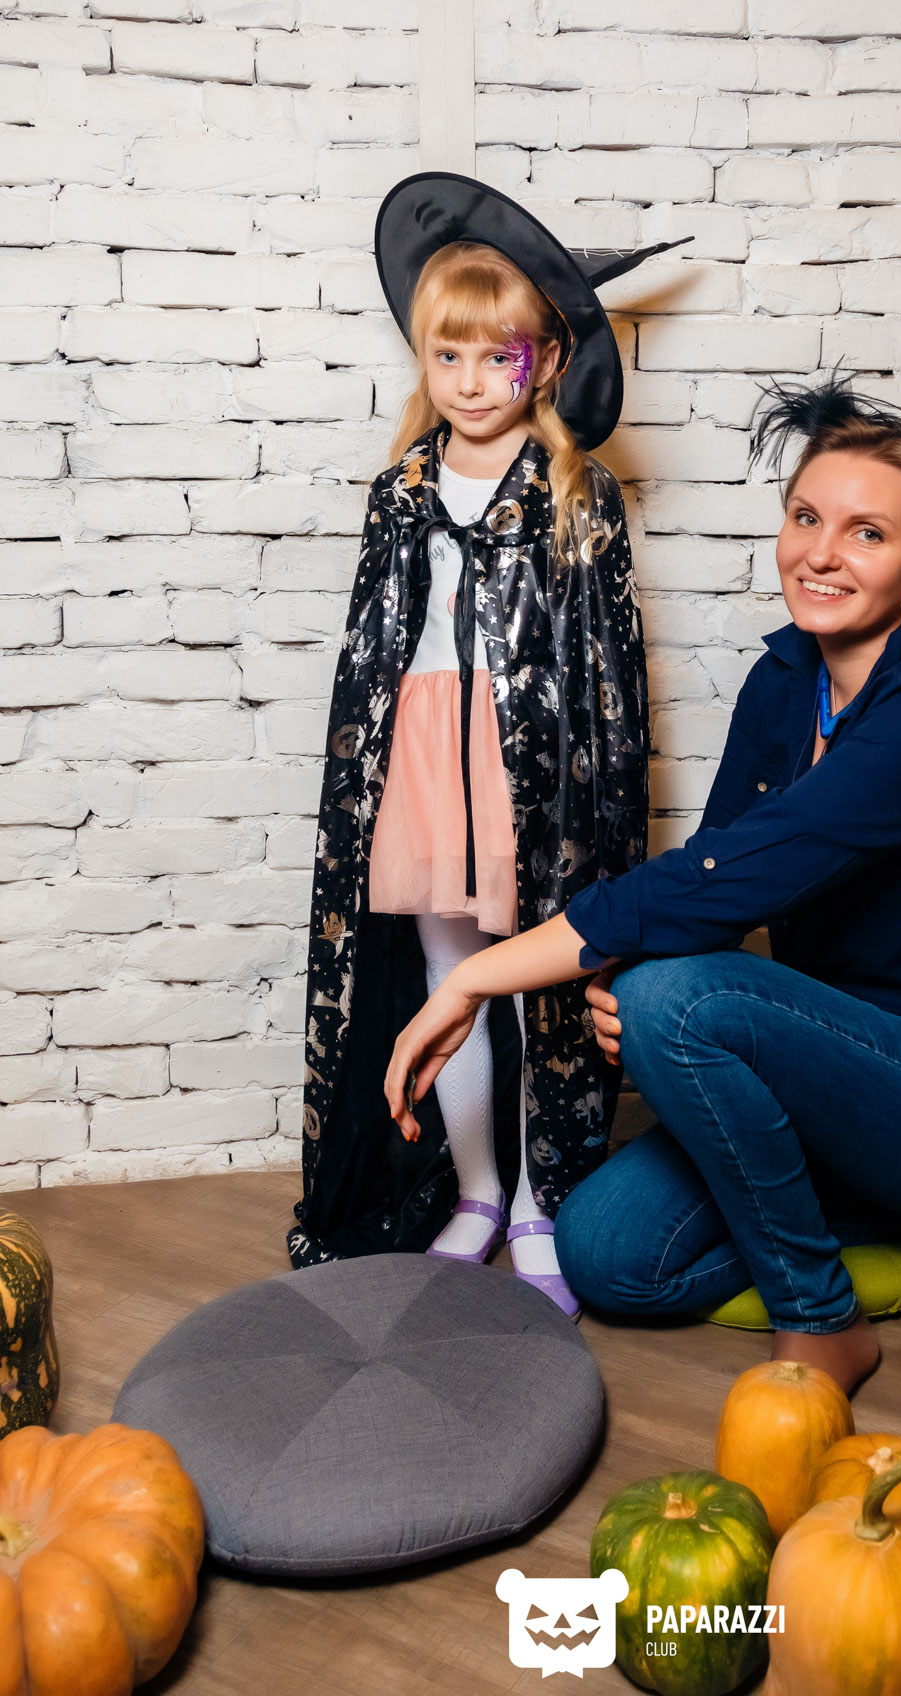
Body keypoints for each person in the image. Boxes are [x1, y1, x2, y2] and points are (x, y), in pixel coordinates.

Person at [382, 370, 901, 1387]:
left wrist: (475, 979)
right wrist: (627, 985)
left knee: (671, 994)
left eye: (867, 534)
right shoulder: (785, 678)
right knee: (606, 1255)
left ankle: (824, 1316)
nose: (821, 553)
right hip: (831, 1080)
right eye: (807, 517)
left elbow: (717, 881)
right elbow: (712, 887)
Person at [291, 173, 688, 1314]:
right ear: (423, 362)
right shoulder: (401, 490)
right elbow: (371, 649)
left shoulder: (575, 489)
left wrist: (585, 791)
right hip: (424, 744)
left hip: (533, 762)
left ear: (544, 364)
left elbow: (608, 671)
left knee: (532, 983)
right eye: (447, 357)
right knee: (448, 974)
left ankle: (541, 1203)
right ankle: (475, 1191)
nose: (470, 382)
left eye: (496, 358)